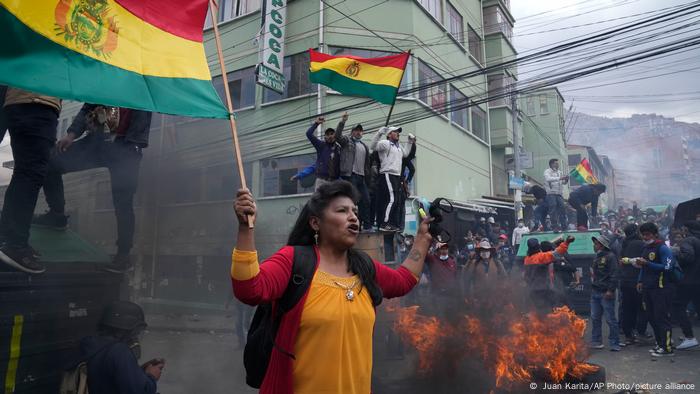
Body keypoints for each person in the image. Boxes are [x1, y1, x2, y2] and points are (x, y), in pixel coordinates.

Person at [231, 180, 432, 394]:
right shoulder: (293, 261)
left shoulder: (364, 267)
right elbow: (249, 288)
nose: (353, 216)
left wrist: (422, 238)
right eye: (342, 211)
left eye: (354, 211)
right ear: (316, 223)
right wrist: (245, 228)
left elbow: (404, 280)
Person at [34, 104, 151, 273]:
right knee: (51, 162)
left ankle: (123, 256)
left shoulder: (142, 85)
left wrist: (135, 145)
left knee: (123, 204)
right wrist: (71, 135)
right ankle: (56, 215)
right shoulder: (104, 80)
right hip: (98, 142)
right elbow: (87, 107)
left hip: (126, 147)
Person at [0, 88, 61, 274]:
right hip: (37, 102)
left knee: (24, 172)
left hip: (21, 102)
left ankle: (8, 238)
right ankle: (15, 245)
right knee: (31, 174)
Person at [79, 301, 163, 394]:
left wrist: (138, 371)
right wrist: (151, 376)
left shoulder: (92, 345)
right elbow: (140, 391)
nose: (136, 337)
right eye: (135, 332)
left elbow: (109, 377)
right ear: (123, 331)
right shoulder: (119, 351)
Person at [636, 222, 676, 357]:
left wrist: (648, 263)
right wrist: (640, 281)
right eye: (643, 235)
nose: (645, 237)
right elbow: (643, 266)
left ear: (655, 234)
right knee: (651, 318)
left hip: (661, 289)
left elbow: (667, 267)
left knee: (662, 318)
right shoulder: (646, 248)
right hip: (648, 288)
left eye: (647, 234)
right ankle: (660, 344)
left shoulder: (663, 248)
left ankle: (668, 348)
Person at [370, 126, 415, 232]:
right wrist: (379, 133)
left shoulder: (398, 146)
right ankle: (384, 223)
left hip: (396, 176)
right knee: (392, 199)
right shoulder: (385, 143)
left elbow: (406, 154)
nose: (398, 133)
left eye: (398, 132)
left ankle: (388, 223)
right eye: (395, 132)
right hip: (387, 174)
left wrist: (409, 141)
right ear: (389, 134)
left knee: (394, 201)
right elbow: (373, 146)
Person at [335, 114, 372, 231]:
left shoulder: (365, 146)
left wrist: (368, 177)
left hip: (361, 177)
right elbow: (337, 136)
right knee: (353, 201)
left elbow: (367, 164)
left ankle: (366, 226)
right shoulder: (347, 142)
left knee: (366, 200)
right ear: (352, 132)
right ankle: (353, 225)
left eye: (360, 131)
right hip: (350, 176)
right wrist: (342, 122)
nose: (358, 133)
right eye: (356, 130)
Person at [589, 234, 621, 351]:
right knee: (595, 317)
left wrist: (610, 290)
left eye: (596, 243)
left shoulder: (611, 257)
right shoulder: (597, 257)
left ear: (602, 245)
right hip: (595, 291)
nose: (594, 245)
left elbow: (614, 274)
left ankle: (614, 343)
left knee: (610, 319)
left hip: (606, 292)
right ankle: (596, 341)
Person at [524, 236, 574, 310]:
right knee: (550, 311)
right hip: (544, 290)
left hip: (532, 291)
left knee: (538, 313)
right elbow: (558, 253)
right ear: (538, 247)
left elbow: (526, 276)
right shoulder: (541, 257)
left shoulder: (526, 260)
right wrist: (567, 242)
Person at [672, 221, 700, 350]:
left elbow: (688, 257)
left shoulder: (688, 241)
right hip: (697, 280)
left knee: (678, 306)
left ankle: (689, 337)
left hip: (689, 280)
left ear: (686, 229)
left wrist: (676, 252)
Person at [618, 224, 646, 346]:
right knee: (642, 308)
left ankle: (629, 335)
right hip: (637, 281)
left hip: (625, 281)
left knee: (627, 308)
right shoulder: (640, 244)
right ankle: (640, 332)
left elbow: (622, 261)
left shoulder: (624, 243)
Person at [306, 116, 340, 190]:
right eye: (327, 134)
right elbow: (308, 134)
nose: (330, 136)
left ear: (335, 135)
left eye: (332, 134)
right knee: (319, 200)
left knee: (333, 201)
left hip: (335, 182)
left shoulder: (339, 148)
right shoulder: (321, 145)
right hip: (322, 181)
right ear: (325, 137)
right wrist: (316, 123)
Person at [543, 158, 569, 231]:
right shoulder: (547, 171)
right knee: (553, 208)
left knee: (563, 208)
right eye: (556, 163)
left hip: (559, 194)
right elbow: (548, 179)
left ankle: (564, 225)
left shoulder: (560, 172)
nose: (558, 165)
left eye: (558, 163)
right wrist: (560, 178)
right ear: (551, 164)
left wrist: (566, 180)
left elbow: (563, 182)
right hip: (551, 194)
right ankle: (554, 226)